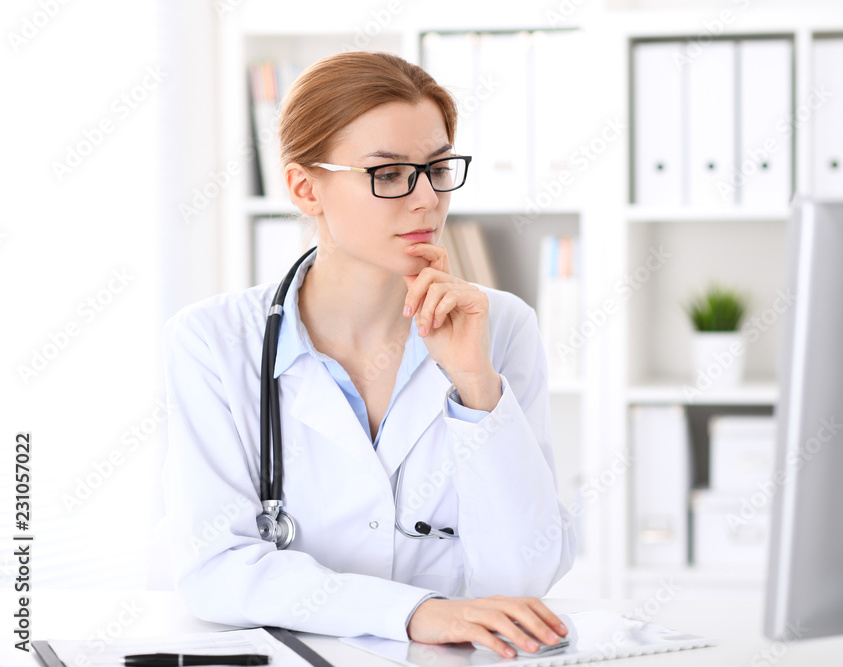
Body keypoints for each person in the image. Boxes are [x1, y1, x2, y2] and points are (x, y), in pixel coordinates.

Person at [160, 51, 576, 659]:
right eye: (387, 174)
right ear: (306, 188)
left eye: (437, 169)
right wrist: (414, 613)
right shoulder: (213, 341)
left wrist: (474, 387)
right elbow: (216, 569)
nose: (425, 200)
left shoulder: (501, 324)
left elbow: (524, 577)